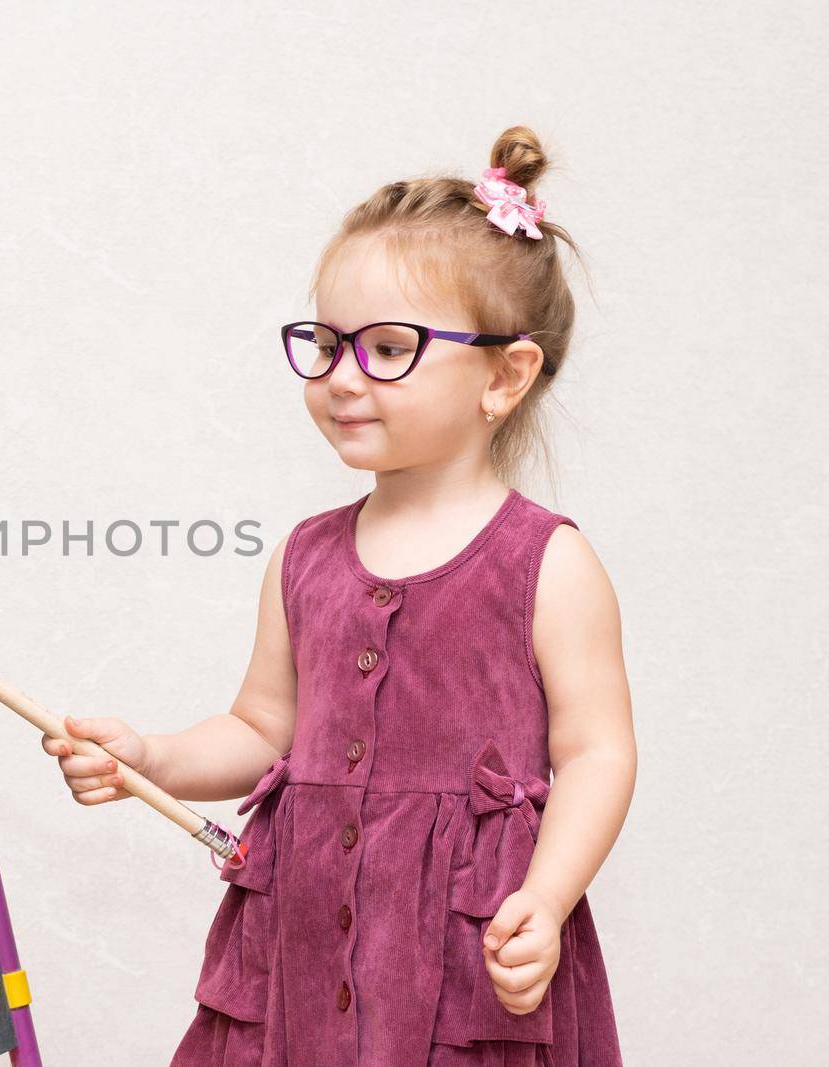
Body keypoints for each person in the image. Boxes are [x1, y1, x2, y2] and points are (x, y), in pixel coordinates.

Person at [42, 126, 634, 1065]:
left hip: (456, 959)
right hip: (301, 950)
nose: (341, 378)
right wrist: (148, 757)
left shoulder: (546, 563)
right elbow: (259, 728)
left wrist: (549, 896)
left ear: (505, 375)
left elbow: (598, 750)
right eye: (324, 344)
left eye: (388, 348)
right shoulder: (304, 557)